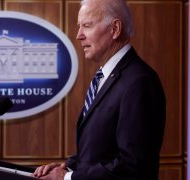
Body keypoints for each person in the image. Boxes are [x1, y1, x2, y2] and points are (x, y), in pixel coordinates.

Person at [33, 0, 166, 179]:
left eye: (87, 26)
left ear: (115, 29)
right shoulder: (106, 76)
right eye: (79, 26)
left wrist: (67, 178)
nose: (79, 35)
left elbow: (133, 166)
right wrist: (70, 165)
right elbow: (103, 149)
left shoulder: (139, 81)